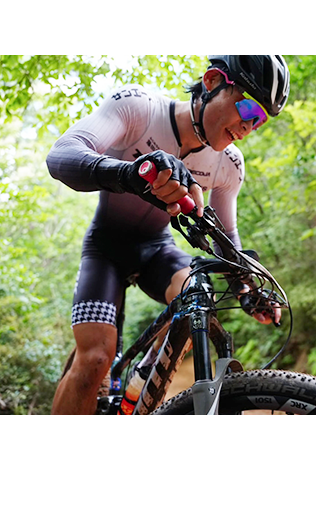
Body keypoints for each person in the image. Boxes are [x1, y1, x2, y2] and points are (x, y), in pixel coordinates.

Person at [46, 55, 291, 414]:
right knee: (96, 358)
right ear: (211, 81)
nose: (249, 126)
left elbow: (226, 238)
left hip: (157, 249)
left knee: (198, 294)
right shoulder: (139, 109)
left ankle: (140, 385)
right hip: (106, 248)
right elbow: (62, 156)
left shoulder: (229, 164)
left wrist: (247, 288)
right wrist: (132, 173)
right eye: (249, 108)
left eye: (260, 120)